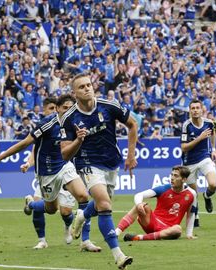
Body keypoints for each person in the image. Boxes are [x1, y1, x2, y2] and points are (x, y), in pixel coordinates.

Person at [0, 95, 100, 252]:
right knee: (51, 209)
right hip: (47, 172)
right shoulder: (46, 124)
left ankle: (85, 241)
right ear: (57, 108)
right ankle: (31, 204)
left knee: (83, 196)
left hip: (65, 166)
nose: (68, 111)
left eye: (71, 108)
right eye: (65, 108)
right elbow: (24, 144)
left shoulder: (75, 124)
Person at [60, 73, 138, 269]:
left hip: (112, 162)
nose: (87, 88)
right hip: (87, 163)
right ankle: (118, 255)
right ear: (74, 93)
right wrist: (78, 140)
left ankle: (82, 215)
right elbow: (65, 154)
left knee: (102, 203)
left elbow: (132, 124)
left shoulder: (109, 105)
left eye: (88, 85)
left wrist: (131, 156)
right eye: (82, 87)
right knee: (104, 204)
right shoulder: (69, 118)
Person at [114, 165, 197, 241]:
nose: (172, 178)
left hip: (169, 229)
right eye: (171, 175)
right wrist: (139, 204)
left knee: (178, 229)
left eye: (176, 176)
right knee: (141, 205)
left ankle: (139, 237)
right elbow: (139, 195)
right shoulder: (164, 189)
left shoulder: (191, 194)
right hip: (152, 222)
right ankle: (116, 233)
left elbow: (191, 214)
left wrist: (189, 234)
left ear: (184, 179)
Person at [181, 99, 216, 227]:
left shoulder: (209, 123)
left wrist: (213, 148)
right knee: (193, 194)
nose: (195, 110)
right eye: (193, 108)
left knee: (213, 185)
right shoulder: (187, 125)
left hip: (205, 157)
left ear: (202, 110)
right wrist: (200, 138)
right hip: (189, 161)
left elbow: (213, 132)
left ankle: (207, 196)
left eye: (197, 108)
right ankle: (196, 217)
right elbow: (184, 147)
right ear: (190, 111)